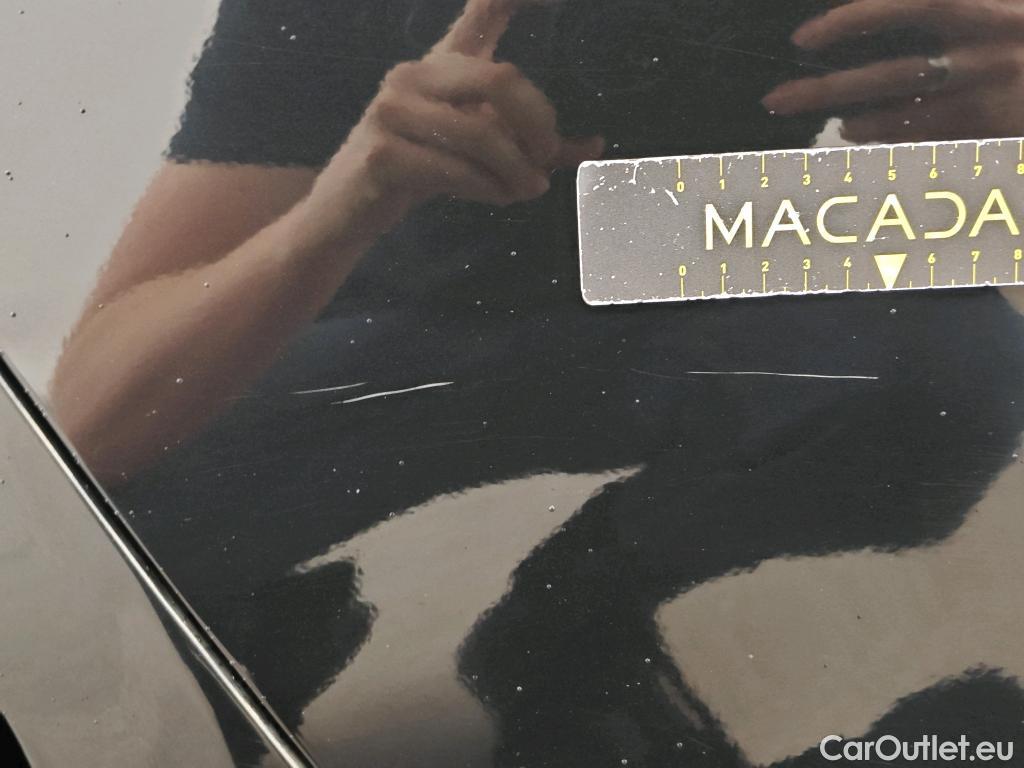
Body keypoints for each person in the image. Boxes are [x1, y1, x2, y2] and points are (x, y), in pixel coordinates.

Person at [50, 0, 1024, 765]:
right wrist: (341, 204)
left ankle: (576, 614)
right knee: (131, 531)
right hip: (423, 309)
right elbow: (89, 425)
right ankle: (290, 622)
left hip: (674, 255)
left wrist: (1007, 157)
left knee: (958, 365)